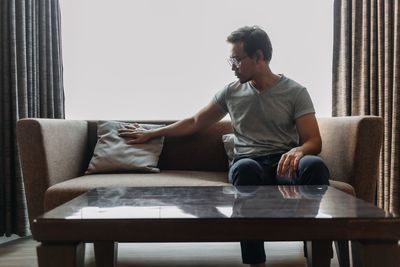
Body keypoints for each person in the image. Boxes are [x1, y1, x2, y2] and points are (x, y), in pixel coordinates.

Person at [118, 25, 330, 267]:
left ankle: (316, 249)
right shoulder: (231, 92)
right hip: (250, 163)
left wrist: (299, 150)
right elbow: (195, 122)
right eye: (230, 59)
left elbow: (314, 140)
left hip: (285, 163)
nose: (232, 66)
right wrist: (153, 132)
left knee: (315, 166)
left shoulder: (295, 92)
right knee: (245, 170)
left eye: (237, 59)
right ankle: (255, 262)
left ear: (259, 57)